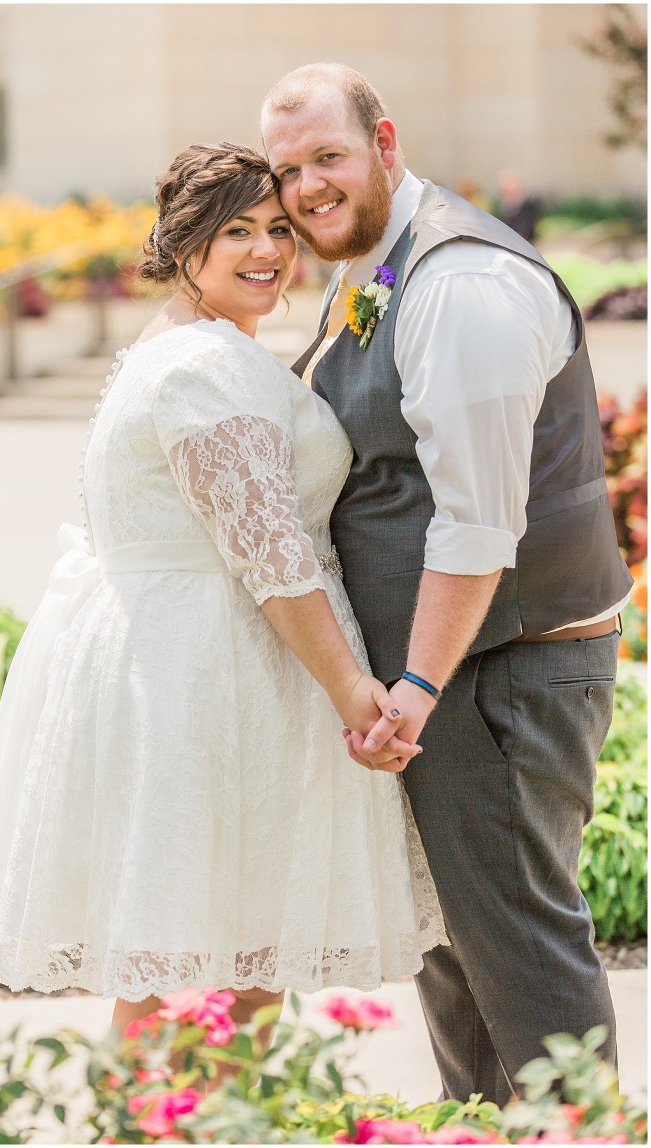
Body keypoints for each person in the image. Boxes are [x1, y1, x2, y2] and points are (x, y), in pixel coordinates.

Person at [0, 142, 446, 1034]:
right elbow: (272, 554)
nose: (267, 250)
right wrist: (353, 696)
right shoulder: (202, 370)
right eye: (238, 232)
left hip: (207, 669)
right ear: (185, 244)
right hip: (204, 684)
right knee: (192, 977)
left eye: (277, 230)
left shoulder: (202, 347)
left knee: (234, 973)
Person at [261, 63, 632, 1106]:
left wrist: (414, 688)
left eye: (327, 157)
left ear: (385, 143)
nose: (306, 188)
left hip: (498, 674)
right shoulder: (379, 263)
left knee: (519, 952)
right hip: (441, 684)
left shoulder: (462, 284)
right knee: (454, 954)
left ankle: (580, 1135)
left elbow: (475, 527)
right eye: (287, 170)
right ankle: (482, 1134)